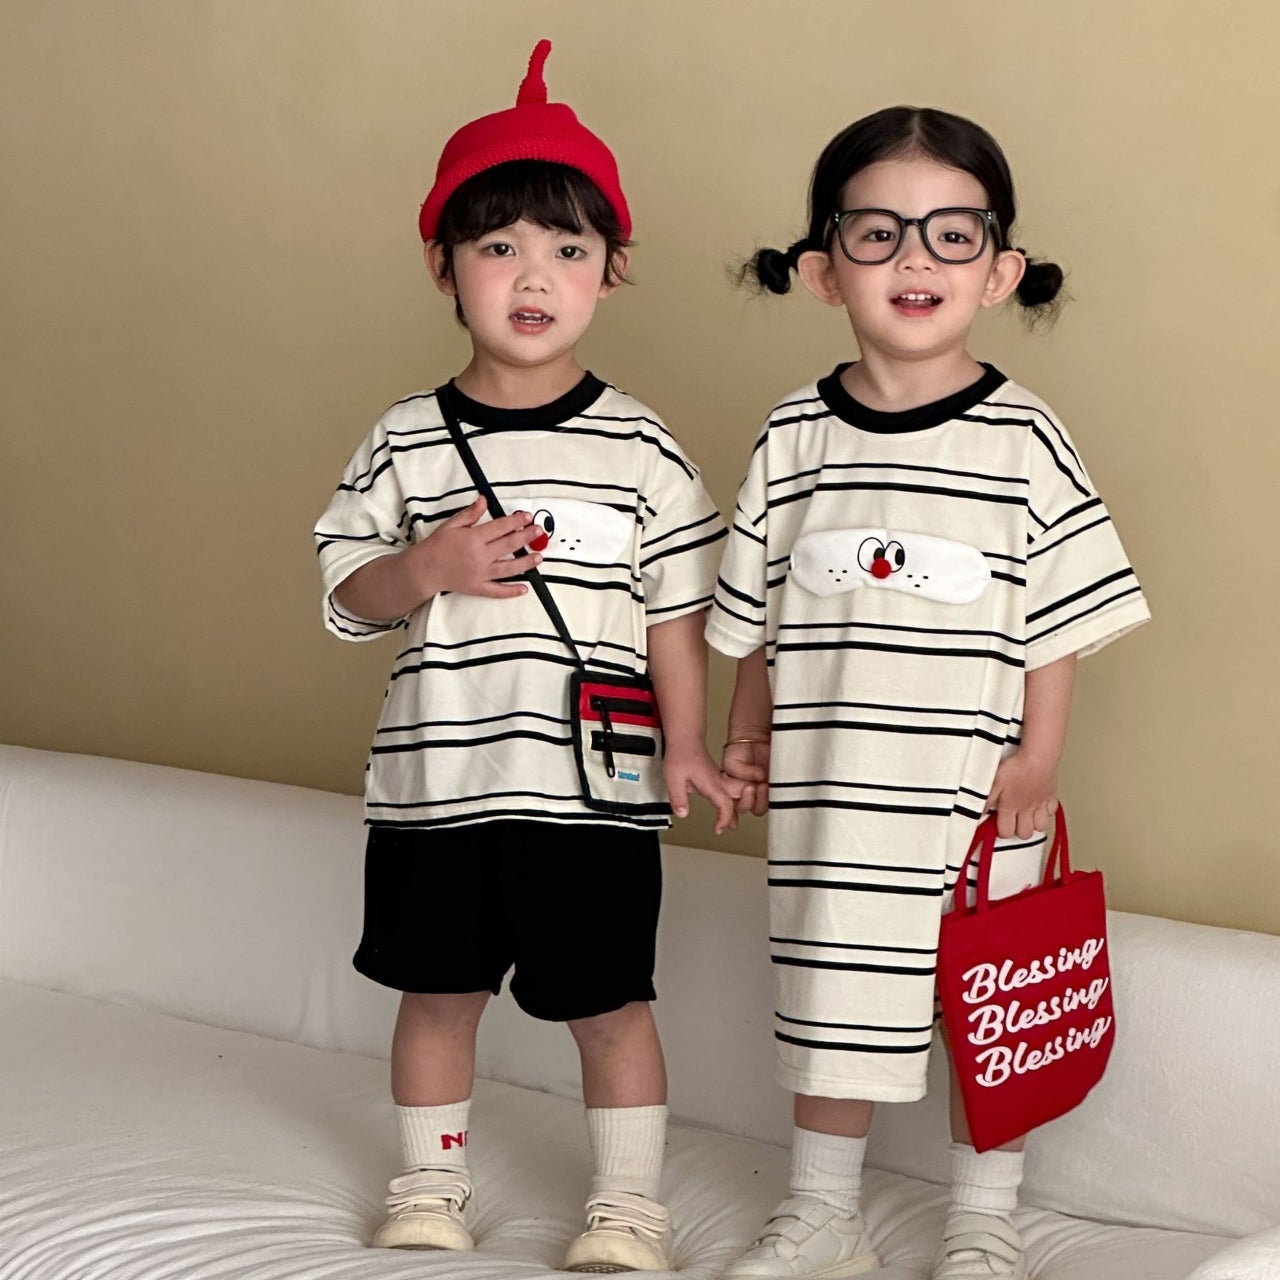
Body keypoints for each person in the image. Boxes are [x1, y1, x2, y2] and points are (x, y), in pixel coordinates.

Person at [707, 106, 1150, 1280]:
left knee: (983, 1010)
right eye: (877, 232)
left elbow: (1057, 619)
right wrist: (745, 735)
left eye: (951, 233)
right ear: (821, 269)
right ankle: (821, 1212)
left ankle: (983, 1217)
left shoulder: (1023, 441)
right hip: (830, 797)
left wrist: (1037, 759)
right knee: (830, 996)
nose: (914, 258)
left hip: (973, 796)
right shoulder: (793, 436)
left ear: (997, 270)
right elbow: (752, 614)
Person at [313, 40, 733, 1274]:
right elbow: (344, 590)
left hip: (592, 795)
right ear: (442, 264)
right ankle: (427, 1185)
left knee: (609, 1003)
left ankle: (627, 1206)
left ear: (610, 269)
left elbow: (675, 609)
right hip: (437, 784)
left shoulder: (644, 446)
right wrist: (424, 567)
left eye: (568, 247)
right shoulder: (404, 437)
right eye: (497, 245)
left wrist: (688, 743)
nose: (533, 274)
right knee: (436, 995)